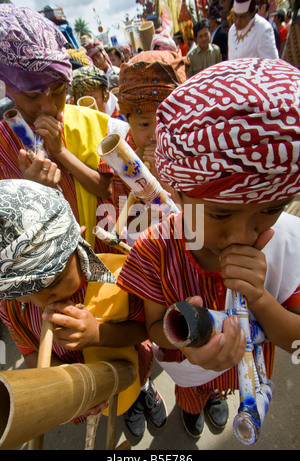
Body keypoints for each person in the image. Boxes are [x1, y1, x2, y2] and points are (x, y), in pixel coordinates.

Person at [117, 58, 300, 438]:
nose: (243, 235)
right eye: (219, 215)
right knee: (194, 393)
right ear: (179, 193)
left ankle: (216, 396)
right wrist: (187, 339)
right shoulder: (156, 249)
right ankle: (195, 406)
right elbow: (153, 326)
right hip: (188, 369)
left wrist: (261, 300)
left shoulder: (286, 242)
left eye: (269, 210)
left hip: (246, 370)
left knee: (223, 384)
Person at [0, 178, 166, 430]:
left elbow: (147, 329)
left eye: (53, 282)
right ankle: (129, 410)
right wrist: (72, 391)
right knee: (117, 404)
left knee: (135, 381)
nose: (42, 301)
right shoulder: (11, 307)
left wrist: (97, 334)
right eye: (24, 294)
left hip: (129, 358)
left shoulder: (120, 275)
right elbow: (31, 353)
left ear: (76, 240)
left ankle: (144, 391)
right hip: (89, 389)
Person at [0, 4, 123, 252]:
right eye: (32, 96)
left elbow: (106, 189)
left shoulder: (90, 123)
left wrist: (60, 152)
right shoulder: (4, 145)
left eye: (57, 92)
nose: (47, 106)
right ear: (9, 89)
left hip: (105, 270)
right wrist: (33, 192)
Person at [117, 50, 187, 213]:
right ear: (129, 124)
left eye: (166, 121)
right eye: (144, 124)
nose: (156, 136)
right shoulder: (125, 163)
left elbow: (196, 222)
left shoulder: (194, 156)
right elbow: (129, 225)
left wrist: (161, 183)